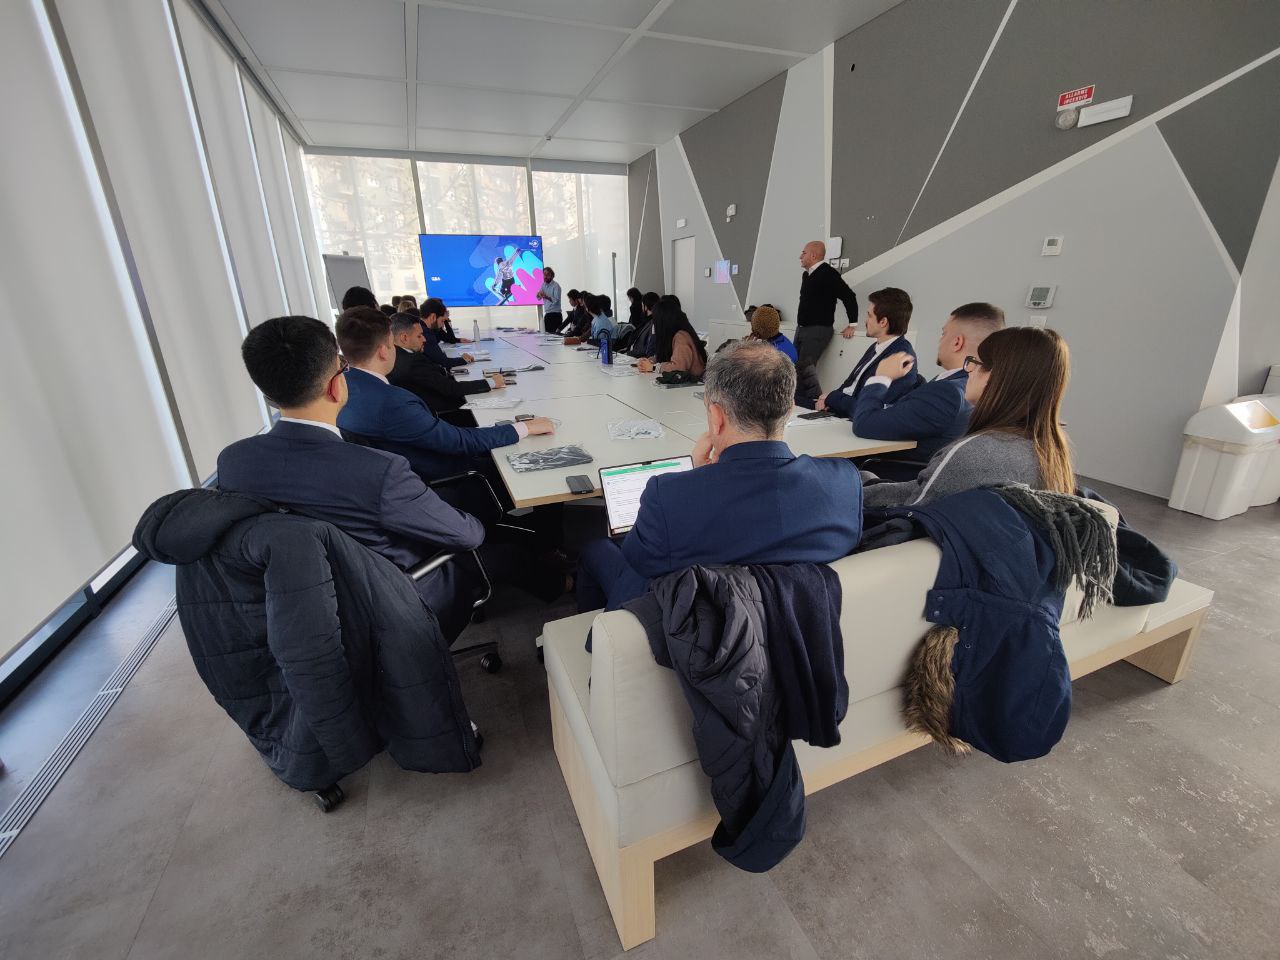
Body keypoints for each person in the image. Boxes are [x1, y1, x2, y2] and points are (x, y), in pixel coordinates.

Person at [216, 315, 487, 642]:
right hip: (403, 601)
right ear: (336, 385)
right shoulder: (379, 471)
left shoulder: (233, 462)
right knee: (498, 547)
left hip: (303, 615)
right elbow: (466, 535)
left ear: (268, 395)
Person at [576, 341, 864, 613]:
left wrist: (697, 481)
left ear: (716, 417)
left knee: (595, 549)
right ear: (789, 410)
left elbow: (637, 560)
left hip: (689, 635)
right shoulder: (843, 483)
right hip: (803, 627)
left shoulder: (669, 497)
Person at [861, 326, 1074, 509]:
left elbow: (914, 506)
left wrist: (852, 489)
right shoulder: (1050, 447)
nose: (969, 370)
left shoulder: (975, 452)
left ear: (996, 377)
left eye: (976, 363)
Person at [334, 307, 554, 479]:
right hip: (448, 477)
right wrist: (525, 427)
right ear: (383, 350)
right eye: (392, 345)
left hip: (405, 472)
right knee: (541, 458)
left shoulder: (341, 390)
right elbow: (459, 442)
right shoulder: (393, 401)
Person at [852, 302, 1005, 466]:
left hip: (887, 473)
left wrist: (881, 377)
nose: (940, 340)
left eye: (943, 333)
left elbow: (864, 424)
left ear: (957, 342)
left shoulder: (948, 392)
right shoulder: (974, 385)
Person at [816, 287, 918, 415]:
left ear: (883, 322)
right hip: (838, 410)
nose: (865, 321)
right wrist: (828, 400)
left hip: (853, 420)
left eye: (869, 315)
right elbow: (849, 384)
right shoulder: (877, 346)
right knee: (794, 401)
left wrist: (833, 398)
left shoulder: (901, 358)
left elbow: (872, 410)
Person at [387, 313, 504, 413]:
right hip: (446, 413)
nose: (424, 339)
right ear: (404, 338)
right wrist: (490, 382)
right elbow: (451, 389)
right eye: (419, 336)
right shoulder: (411, 361)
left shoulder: (396, 356)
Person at [795, 240, 858, 367]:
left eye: (803, 253)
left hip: (817, 331)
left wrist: (852, 324)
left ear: (813, 256)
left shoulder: (828, 274)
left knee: (804, 373)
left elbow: (849, 296)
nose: (800, 257)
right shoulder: (806, 275)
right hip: (801, 329)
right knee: (791, 368)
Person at [637, 295, 707, 377]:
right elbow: (667, 356)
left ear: (663, 321)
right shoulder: (673, 335)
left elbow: (679, 367)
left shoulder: (681, 337)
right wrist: (650, 361)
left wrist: (653, 367)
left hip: (691, 385)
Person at [417, 297, 473, 368]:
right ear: (433, 317)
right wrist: (464, 360)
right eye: (442, 321)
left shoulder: (420, 327)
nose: (442, 325)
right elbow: (444, 362)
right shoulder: (426, 334)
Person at [625, 291, 661, 358]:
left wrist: (628, 353)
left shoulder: (652, 324)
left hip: (638, 358)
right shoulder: (654, 321)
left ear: (646, 307)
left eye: (642, 305)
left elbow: (646, 350)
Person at [537, 267, 563, 333]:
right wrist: (538, 294)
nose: (545, 276)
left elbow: (556, 300)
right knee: (546, 336)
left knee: (554, 338)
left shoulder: (556, 286)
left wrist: (546, 296)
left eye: (547, 275)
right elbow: (538, 298)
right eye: (544, 274)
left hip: (555, 315)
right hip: (548, 314)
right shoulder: (543, 285)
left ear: (552, 275)